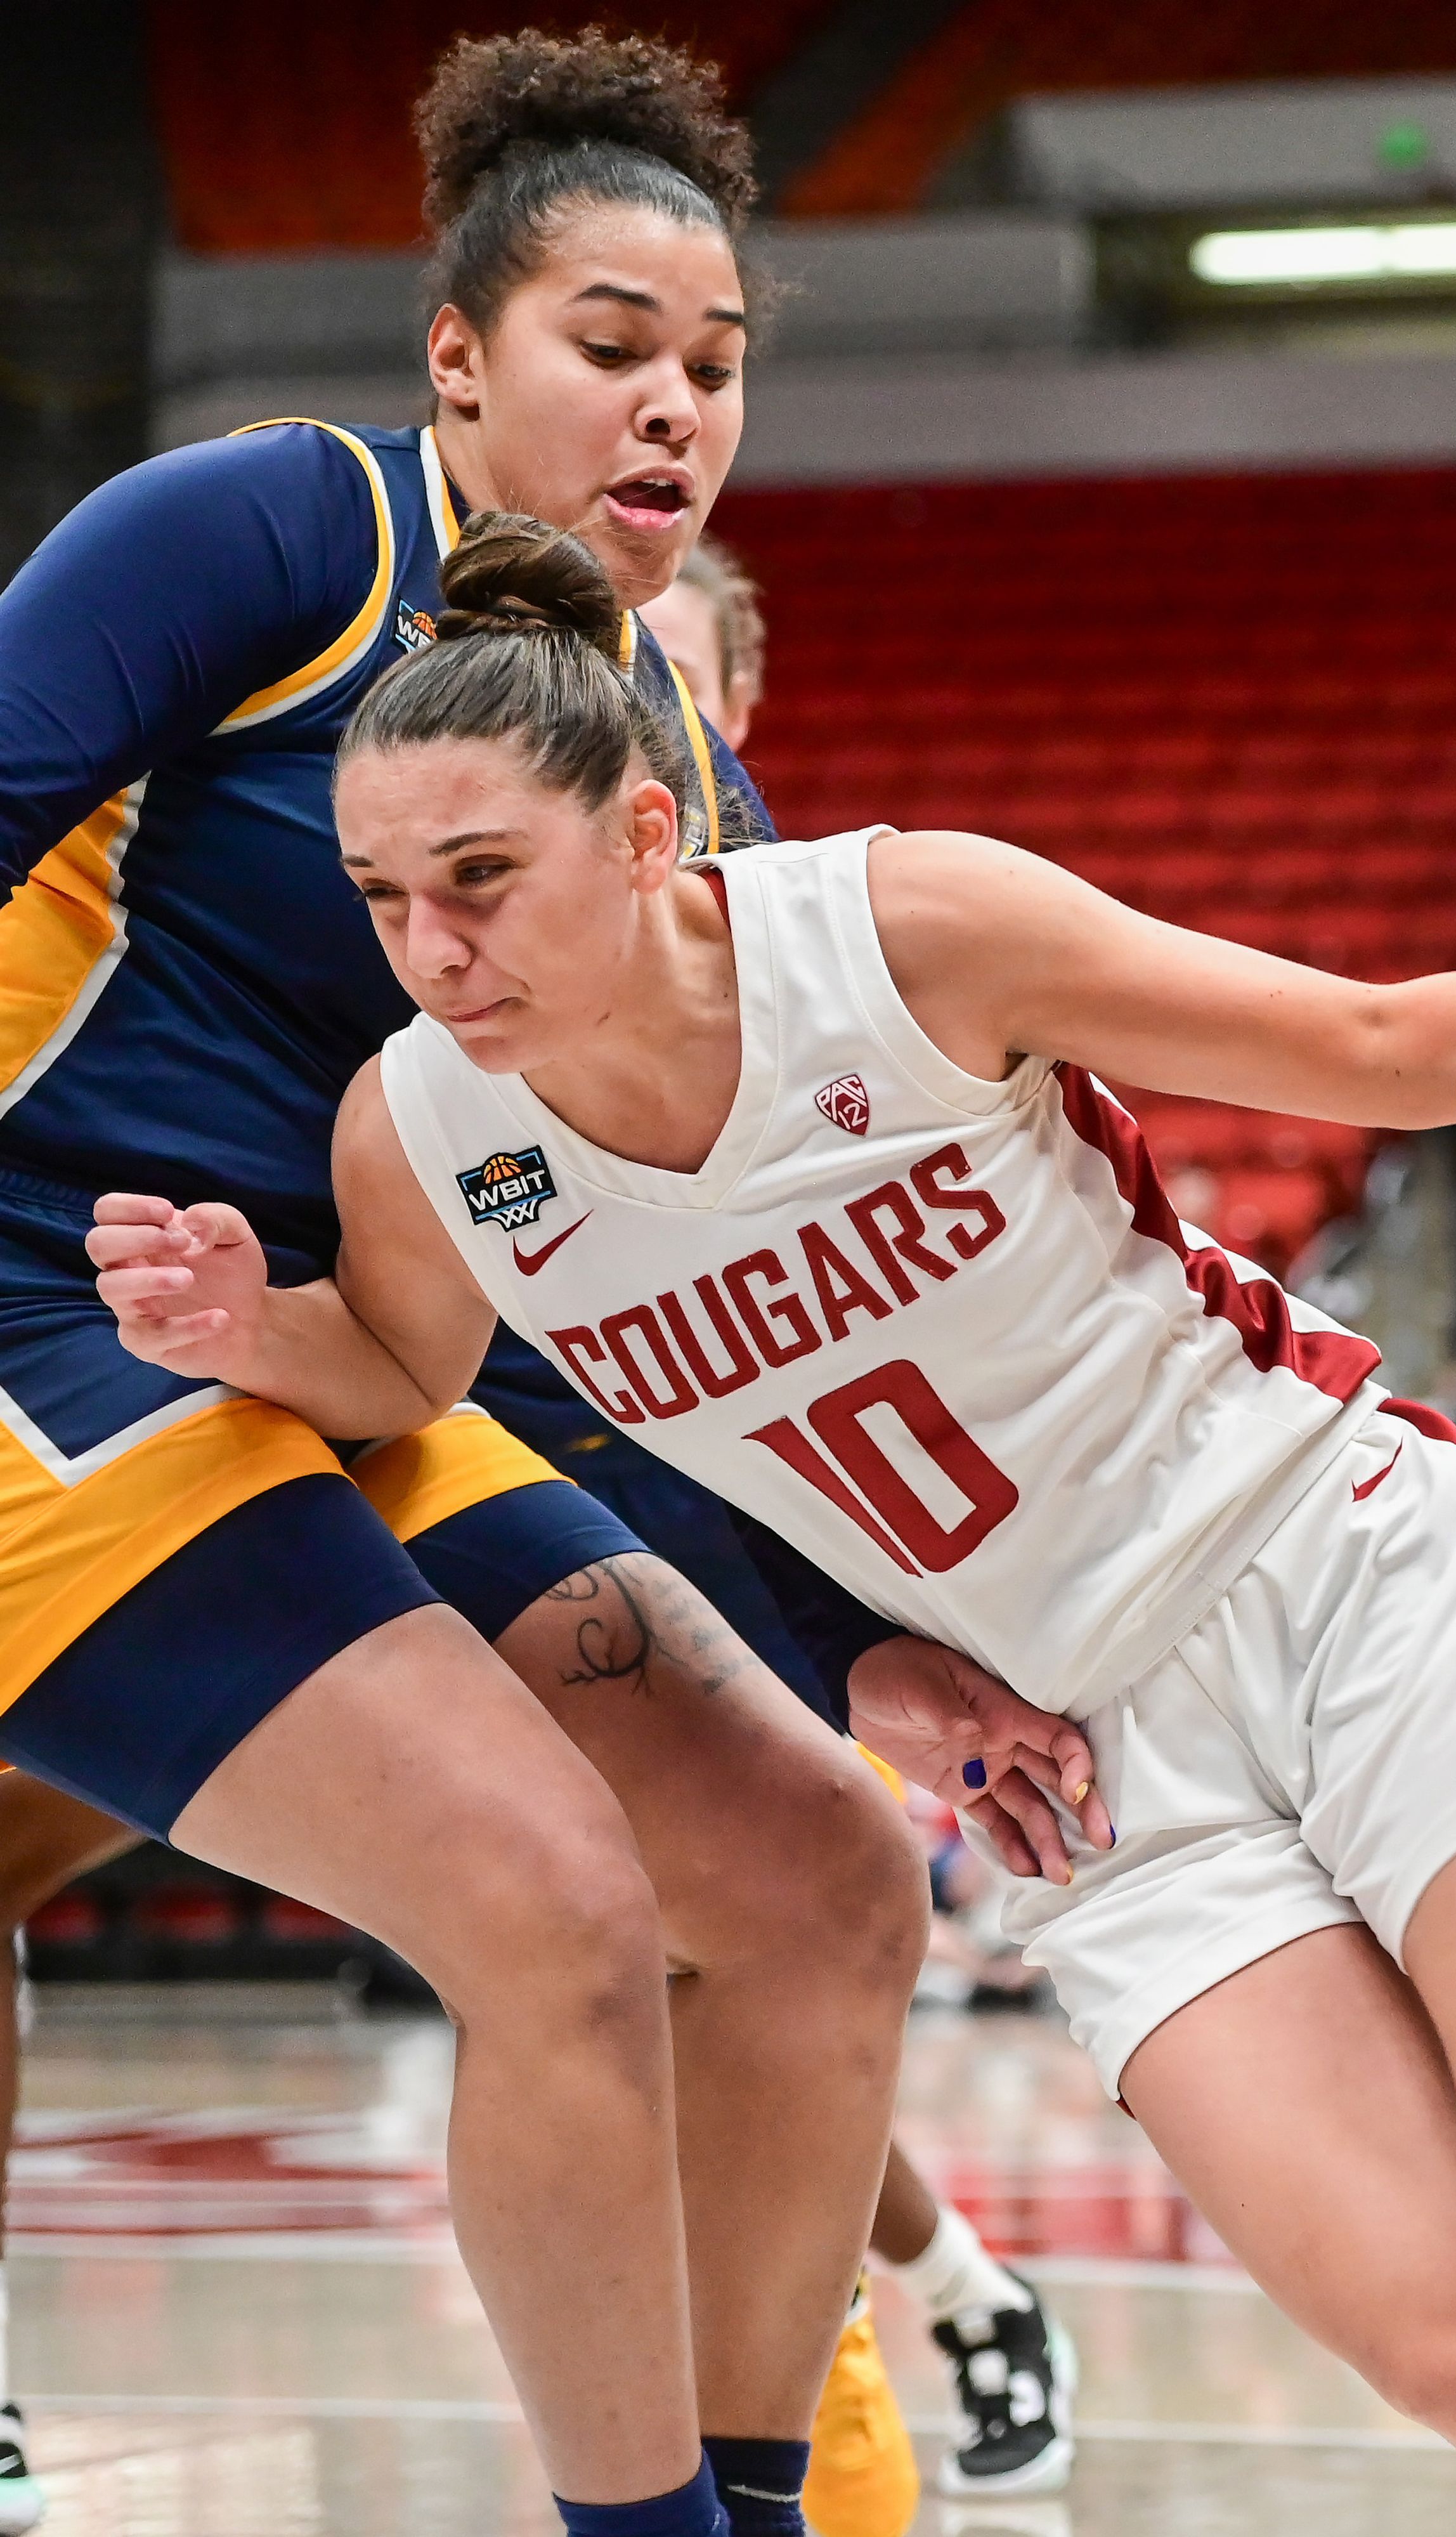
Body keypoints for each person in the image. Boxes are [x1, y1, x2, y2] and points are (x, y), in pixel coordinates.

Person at [94, 521, 1456, 2537]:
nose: (433, 950)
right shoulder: (424, 1130)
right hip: (1090, 1776)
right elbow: (413, 1374)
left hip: (1319, 1563)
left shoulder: (905, 934)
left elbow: (1369, 1044)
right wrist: (250, 1326)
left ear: (649, 834)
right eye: (382, 897)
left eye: (481, 878)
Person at [0, 34, 1105, 2537]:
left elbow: (629, 1320)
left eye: (718, 369)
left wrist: (863, 1647)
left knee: (822, 1881)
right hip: (49, 1310)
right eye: (616, 343)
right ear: (457, 359)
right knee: (549, 1900)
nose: (677, 408)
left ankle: (751, 2499)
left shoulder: (684, 800)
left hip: (344, 1362)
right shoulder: (277, 535)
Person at [640, 543, 1078, 2512]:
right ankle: (966, 2287)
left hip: (804, 1533)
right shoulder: (465, 1007)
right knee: (663, 1986)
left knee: (736, 1973)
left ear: (729, 726)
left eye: (670, 679)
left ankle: (838, 2422)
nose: (626, 706)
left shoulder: (831, 974)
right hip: (574, 1488)